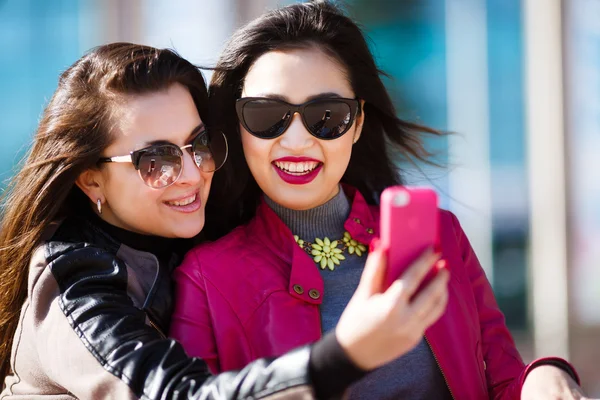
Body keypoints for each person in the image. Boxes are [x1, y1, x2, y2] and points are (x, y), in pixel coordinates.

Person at [170, 2, 589, 399]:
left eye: (327, 116)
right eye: (265, 115)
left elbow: (503, 382)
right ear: (238, 126)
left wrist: (546, 373)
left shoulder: (441, 236)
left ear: (357, 125)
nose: (296, 141)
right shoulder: (205, 279)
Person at [0, 42, 450, 400]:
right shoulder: (74, 285)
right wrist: (343, 355)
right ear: (91, 181)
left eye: (198, 144)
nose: (194, 175)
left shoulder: (205, 241)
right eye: (156, 160)